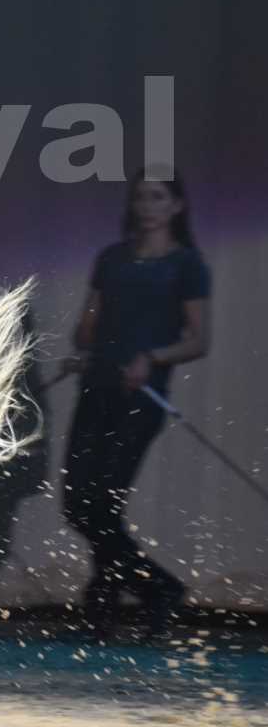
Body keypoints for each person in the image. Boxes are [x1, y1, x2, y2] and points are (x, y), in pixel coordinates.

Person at [60, 166, 211, 638]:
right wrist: (85, 347)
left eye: (158, 198)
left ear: (176, 206)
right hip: (97, 390)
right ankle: (151, 591)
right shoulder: (112, 259)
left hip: (141, 398)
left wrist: (152, 357)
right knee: (78, 504)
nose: (147, 206)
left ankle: (111, 603)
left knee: (102, 505)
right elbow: (87, 325)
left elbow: (199, 340)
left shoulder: (186, 264)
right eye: (141, 198)